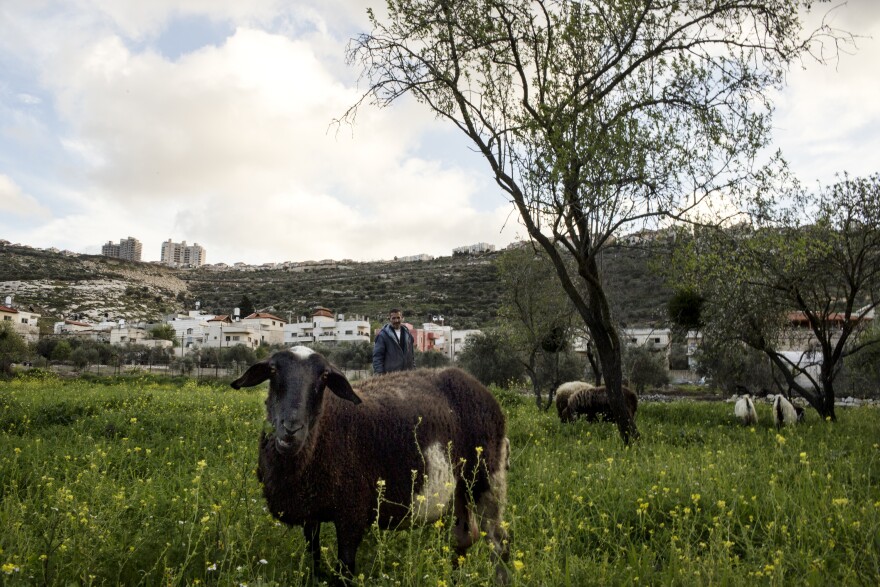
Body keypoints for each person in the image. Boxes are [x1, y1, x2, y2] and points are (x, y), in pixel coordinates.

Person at [372, 308, 415, 374]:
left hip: (407, 375)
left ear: (402, 318)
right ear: (389, 319)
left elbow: (412, 356)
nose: (396, 320)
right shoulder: (383, 336)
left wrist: (414, 370)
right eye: (393, 318)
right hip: (391, 377)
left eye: (398, 317)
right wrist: (380, 374)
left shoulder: (408, 335)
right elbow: (377, 357)